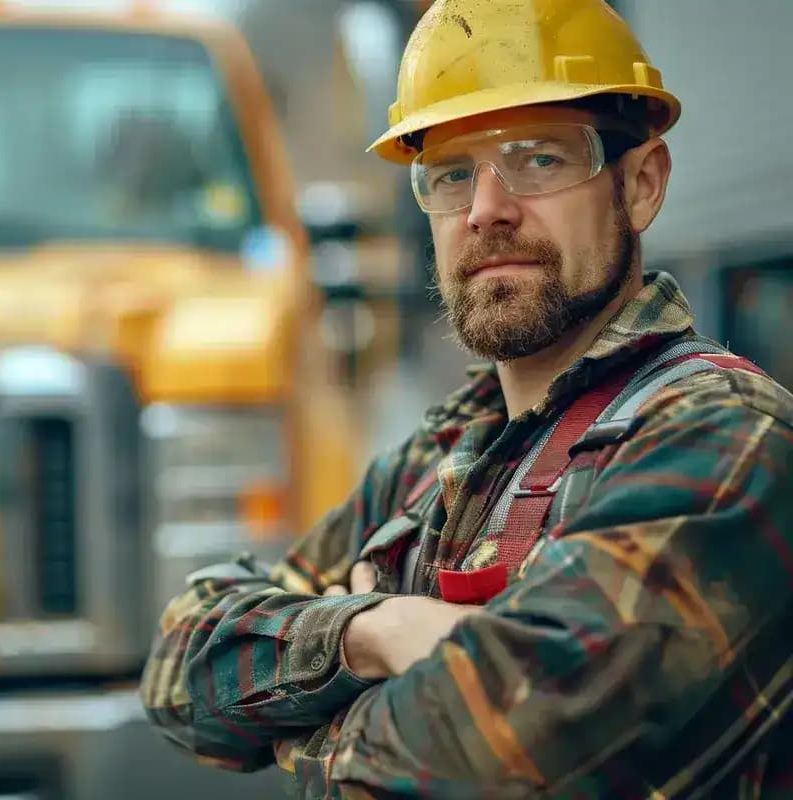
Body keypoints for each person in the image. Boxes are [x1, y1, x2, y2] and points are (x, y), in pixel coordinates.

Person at [139, 0, 793, 797]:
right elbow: (177, 667)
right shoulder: (440, 456)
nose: (486, 210)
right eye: (452, 173)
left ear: (641, 184)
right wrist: (373, 633)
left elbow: (486, 759)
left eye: (539, 159)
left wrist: (303, 736)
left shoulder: (726, 436)